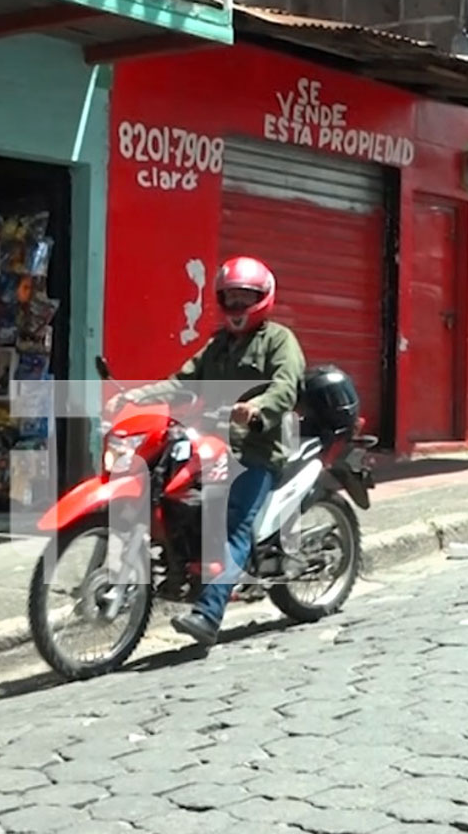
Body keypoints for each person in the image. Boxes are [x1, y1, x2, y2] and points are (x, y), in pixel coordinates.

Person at [109, 256, 305, 647]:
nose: (236, 306)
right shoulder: (217, 346)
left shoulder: (279, 340)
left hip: (257, 450)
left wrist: (258, 408)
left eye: (244, 297)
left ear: (262, 299)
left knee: (232, 526)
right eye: (230, 298)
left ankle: (210, 613)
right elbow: (181, 382)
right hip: (211, 445)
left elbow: (286, 385)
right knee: (169, 489)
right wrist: (134, 397)